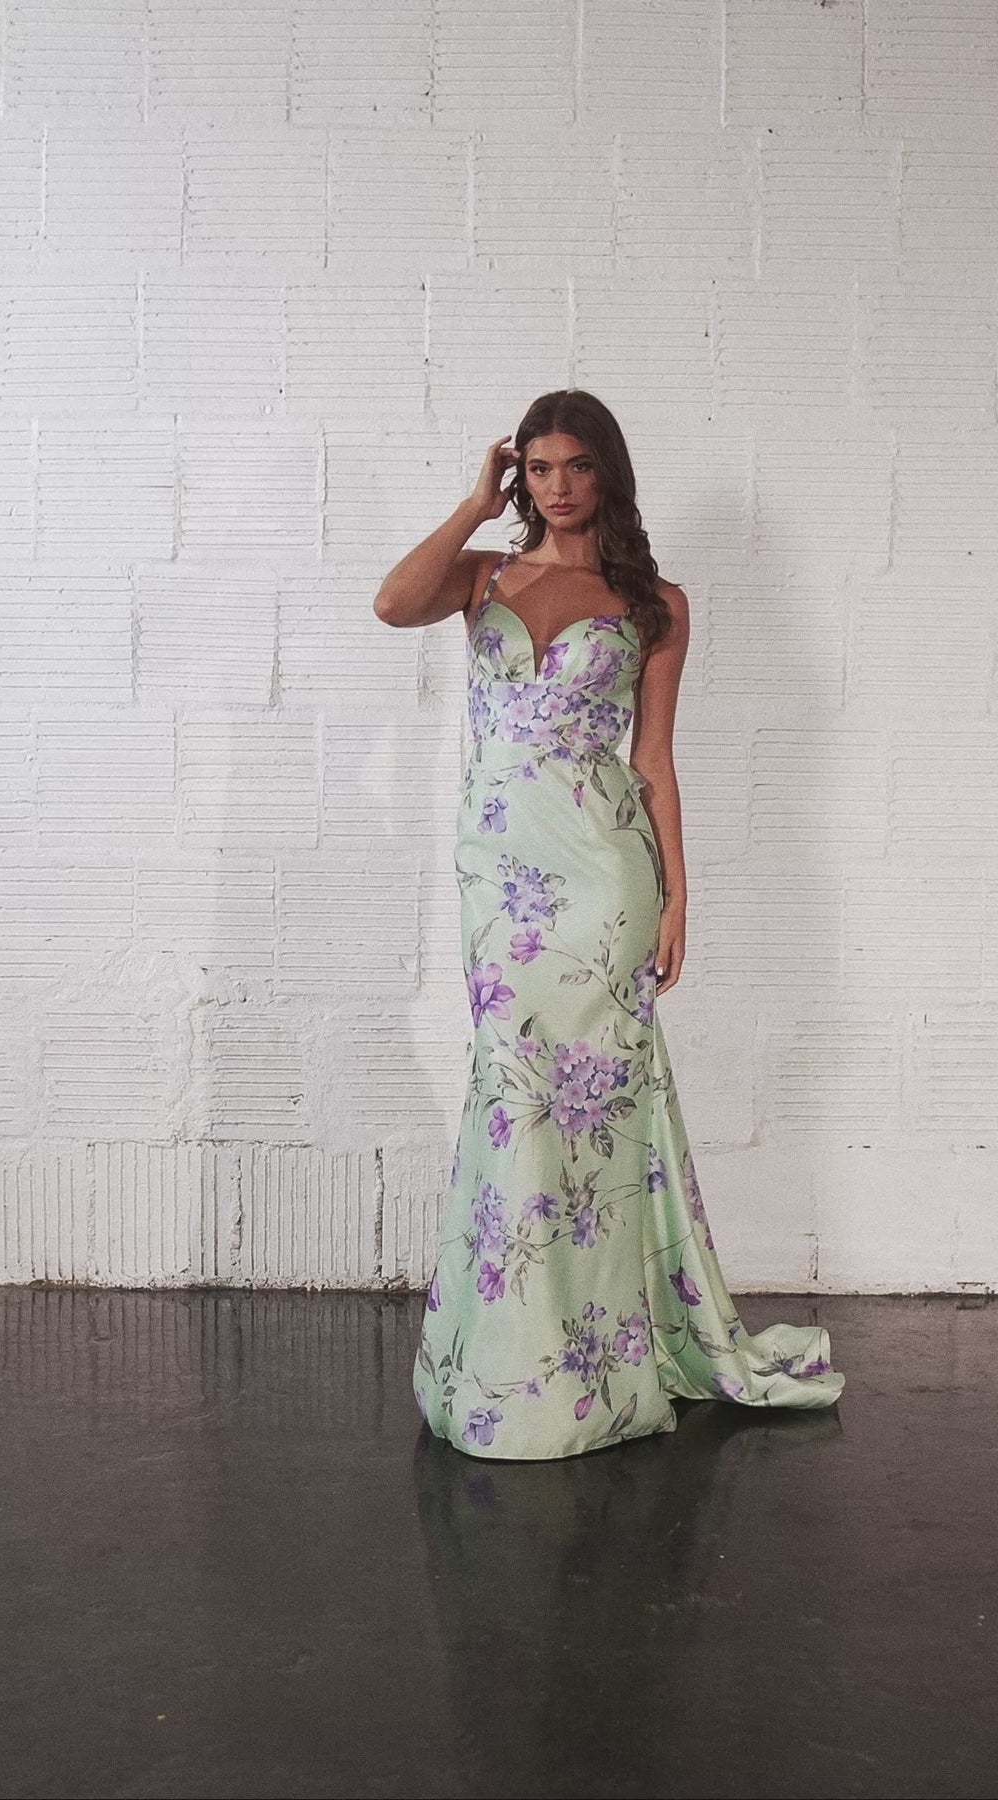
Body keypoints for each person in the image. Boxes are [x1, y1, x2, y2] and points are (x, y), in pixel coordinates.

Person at [374, 389, 845, 1460]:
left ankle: (592, 1359)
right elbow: (392, 604)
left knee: (595, 1113)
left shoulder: (652, 604)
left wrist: (677, 897)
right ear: (520, 477)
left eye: (576, 466)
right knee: (515, 1099)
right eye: (537, 468)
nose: (557, 486)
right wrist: (473, 503)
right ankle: (508, 1357)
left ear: (608, 474)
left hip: (603, 880)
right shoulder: (482, 578)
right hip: (502, 880)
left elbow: (653, 760)